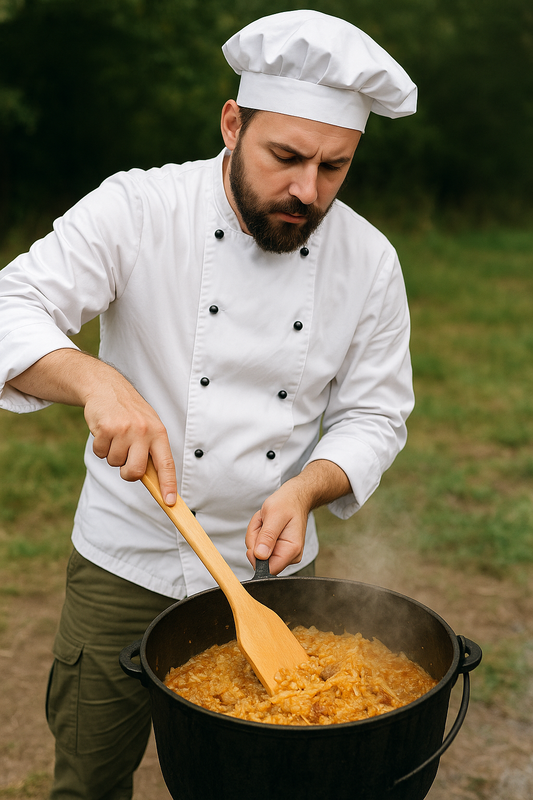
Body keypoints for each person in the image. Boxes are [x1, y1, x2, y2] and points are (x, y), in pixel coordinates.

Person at [0, 9, 417, 799]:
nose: (306, 189)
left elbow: (374, 413)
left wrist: (306, 487)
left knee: (268, 782)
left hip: (273, 571)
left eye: (334, 167)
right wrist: (94, 380)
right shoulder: (139, 209)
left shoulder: (368, 260)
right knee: (89, 778)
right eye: (285, 156)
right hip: (126, 558)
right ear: (232, 122)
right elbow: (11, 303)